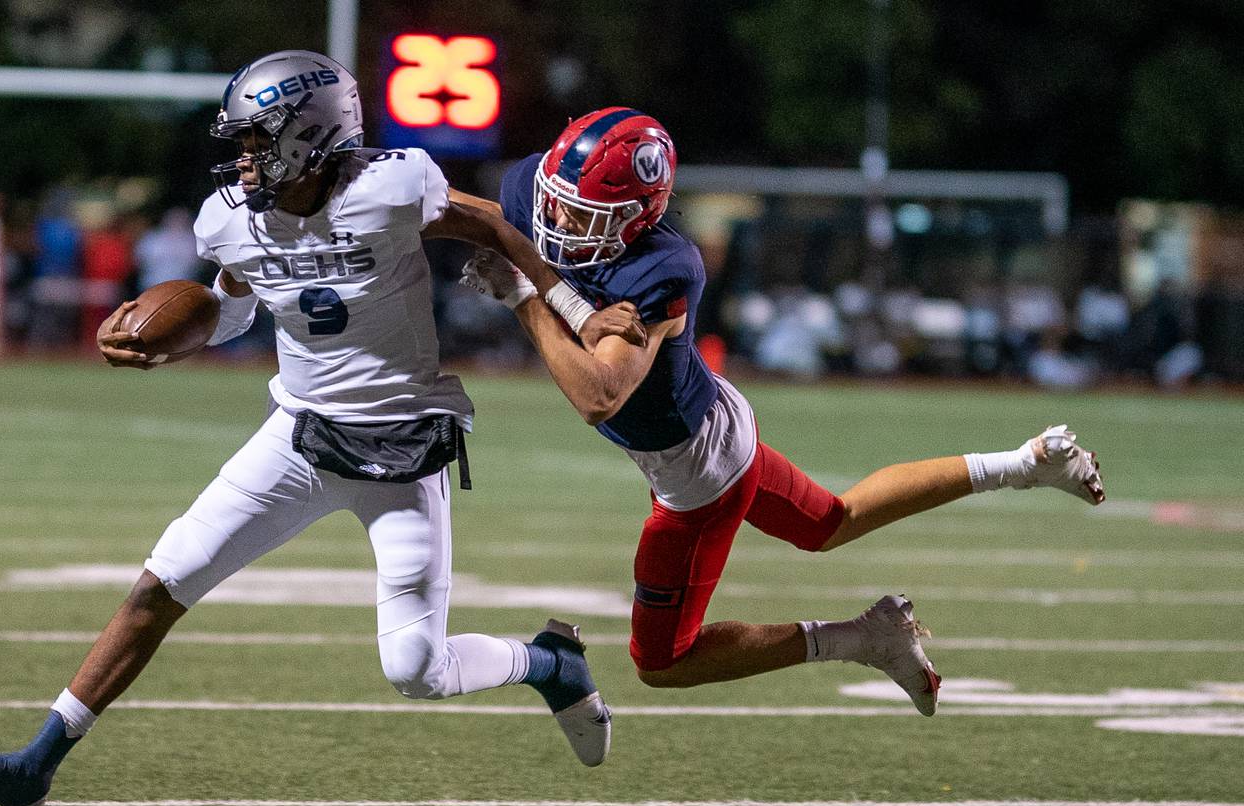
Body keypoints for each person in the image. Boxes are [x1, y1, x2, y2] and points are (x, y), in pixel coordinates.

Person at [0, 52, 644, 806]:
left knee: (416, 668)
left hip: (399, 446)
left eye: (257, 140)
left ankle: (548, 661)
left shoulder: (394, 186)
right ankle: (36, 763)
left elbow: (496, 227)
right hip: (298, 436)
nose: (242, 158)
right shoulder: (231, 217)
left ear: (311, 134)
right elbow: (232, 307)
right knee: (160, 584)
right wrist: (164, 333)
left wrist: (574, 310)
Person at [464, 107, 1105, 711]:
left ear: (636, 218)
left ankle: (856, 640)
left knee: (661, 661)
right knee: (830, 522)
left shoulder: (663, 268)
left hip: (696, 474)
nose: (557, 221)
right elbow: (491, 218)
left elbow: (598, 396)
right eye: (557, 200)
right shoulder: (541, 188)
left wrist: (524, 298)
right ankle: (1023, 464)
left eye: (583, 214)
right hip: (716, 418)